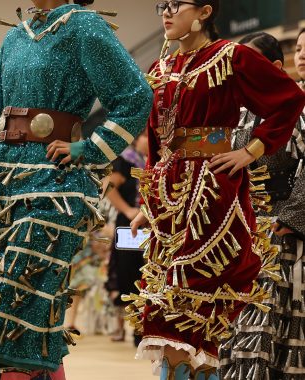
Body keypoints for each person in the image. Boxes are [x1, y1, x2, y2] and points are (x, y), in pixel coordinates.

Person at [0, 0, 153, 377]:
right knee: (16, 310)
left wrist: (89, 148)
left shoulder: (84, 28)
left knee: (17, 296)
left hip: (55, 184)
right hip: (0, 183)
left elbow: (135, 96)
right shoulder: (15, 36)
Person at [127, 1, 305, 379]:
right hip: (169, 198)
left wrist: (250, 150)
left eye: (176, 4)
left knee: (194, 304)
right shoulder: (161, 68)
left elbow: (289, 99)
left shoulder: (231, 57)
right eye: (162, 4)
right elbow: (157, 140)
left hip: (210, 193)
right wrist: (148, 201)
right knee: (164, 302)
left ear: (205, 11)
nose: (166, 11)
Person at [219, 32, 305, 380]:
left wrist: (290, 218)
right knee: (236, 327)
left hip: (284, 235)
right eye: (299, 47)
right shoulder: (237, 113)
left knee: (273, 326)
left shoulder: (298, 108)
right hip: (239, 231)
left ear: (273, 67)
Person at [104, 131, 148, 345]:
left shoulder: (152, 162)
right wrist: (128, 210)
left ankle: (141, 328)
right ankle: (129, 327)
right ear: (137, 139)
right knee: (127, 273)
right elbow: (108, 187)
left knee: (146, 271)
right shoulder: (126, 160)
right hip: (129, 226)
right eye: (147, 137)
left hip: (148, 226)